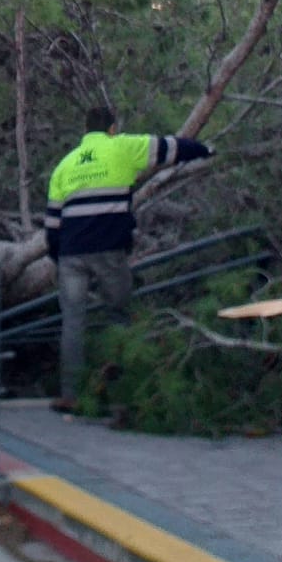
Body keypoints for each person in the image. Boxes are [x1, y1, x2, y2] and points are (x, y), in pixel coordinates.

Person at [44, 105, 214, 413]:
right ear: (112, 128)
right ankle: (120, 389)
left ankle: (71, 393)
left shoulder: (65, 165)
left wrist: (60, 258)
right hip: (109, 248)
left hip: (71, 252)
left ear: (86, 131)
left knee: (72, 322)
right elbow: (171, 147)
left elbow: (53, 225)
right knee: (119, 315)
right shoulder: (121, 146)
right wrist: (206, 150)